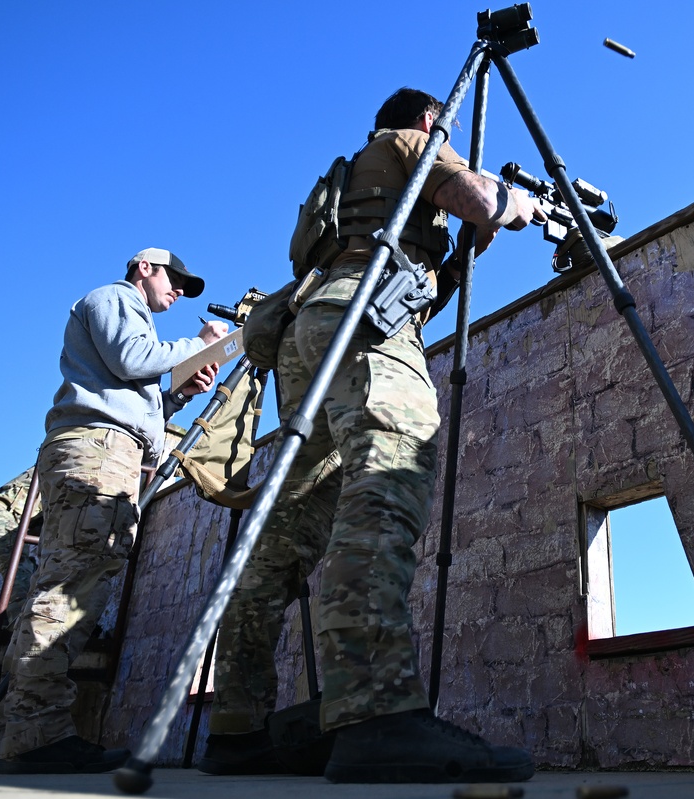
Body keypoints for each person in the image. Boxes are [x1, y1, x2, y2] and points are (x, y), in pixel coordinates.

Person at [199, 88, 546, 783]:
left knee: (292, 524)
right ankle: (376, 710)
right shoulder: (414, 140)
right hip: (363, 330)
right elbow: (480, 199)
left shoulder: (356, 177)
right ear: (425, 119)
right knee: (388, 479)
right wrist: (514, 203)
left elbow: (414, 289)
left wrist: (457, 260)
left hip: (315, 328)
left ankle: (236, 725)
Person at [0, 248, 228, 775]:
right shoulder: (115, 299)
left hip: (110, 447)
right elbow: (130, 361)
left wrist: (177, 398)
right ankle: (33, 734)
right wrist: (201, 344)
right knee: (70, 586)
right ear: (145, 266)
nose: (180, 292)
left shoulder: (133, 321)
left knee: (78, 580)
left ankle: (29, 727)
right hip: (96, 448)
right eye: (176, 280)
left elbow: (129, 395)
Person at [0, 468, 41, 629]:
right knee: (20, 576)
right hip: (1, 516)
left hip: (6, 518)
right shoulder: (68, 464)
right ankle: (20, 631)